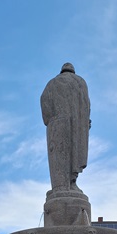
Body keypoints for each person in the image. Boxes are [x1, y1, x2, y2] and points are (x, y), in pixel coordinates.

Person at [40, 63, 90, 192]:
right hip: (76, 124)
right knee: (75, 154)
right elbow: (86, 105)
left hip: (56, 123)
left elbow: (44, 105)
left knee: (58, 157)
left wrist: (50, 120)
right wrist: (84, 122)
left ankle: (60, 187)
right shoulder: (80, 82)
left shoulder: (51, 84)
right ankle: (72, 182)